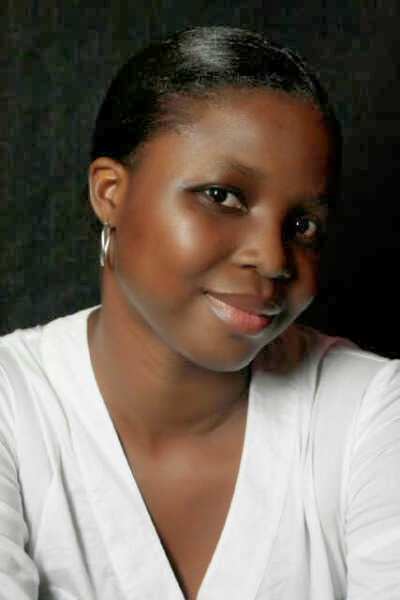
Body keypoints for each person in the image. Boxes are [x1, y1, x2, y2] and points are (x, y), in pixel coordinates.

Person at [0, 25, 399, 600]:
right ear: (110, 192)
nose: (272, 259)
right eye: (222, 196)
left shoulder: (367, 415)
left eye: (303, 224)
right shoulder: (15, 407)